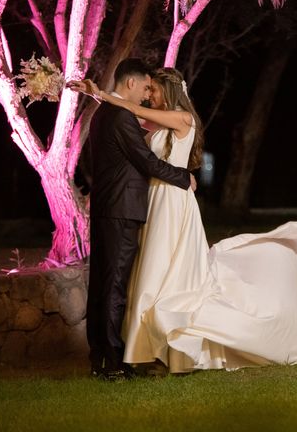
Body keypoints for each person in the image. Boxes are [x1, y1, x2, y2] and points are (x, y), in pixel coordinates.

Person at [71, 68, 297, 375]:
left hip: (174, 204)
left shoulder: (182, 119)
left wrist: (103, 94)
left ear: (167, 92)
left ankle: (158, 349)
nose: (148, 97)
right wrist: (100, 94)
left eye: (152, 91)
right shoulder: (152, 126)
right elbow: (137, 134)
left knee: (165, 275)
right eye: (145, 90)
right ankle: (143, 351)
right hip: (155, 203)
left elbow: (141, 118)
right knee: (148, 277)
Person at [78, 59, 196, 381]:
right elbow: (146, 162)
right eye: (145, 87)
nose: (146, 95)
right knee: (114, 284)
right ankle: (114, 363)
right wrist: (183, 178)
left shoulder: (103, 114)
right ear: (131, 83)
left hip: (107, 207)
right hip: (122, 209)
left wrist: (96, 93)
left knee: (103, 283)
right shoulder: (121, 116)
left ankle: (100, 357)